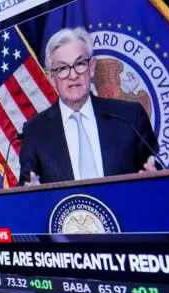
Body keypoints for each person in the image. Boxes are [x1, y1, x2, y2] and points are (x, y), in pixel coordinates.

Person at [19, 27, 159, 186]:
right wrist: (31, 195)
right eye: (62, 68)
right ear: (51, 77)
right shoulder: (35, 131)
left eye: (80, 64)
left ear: (91, 67)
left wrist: (156, 178)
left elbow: (158, 169)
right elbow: (26, 188)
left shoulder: (129, 116)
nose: (73, 75)